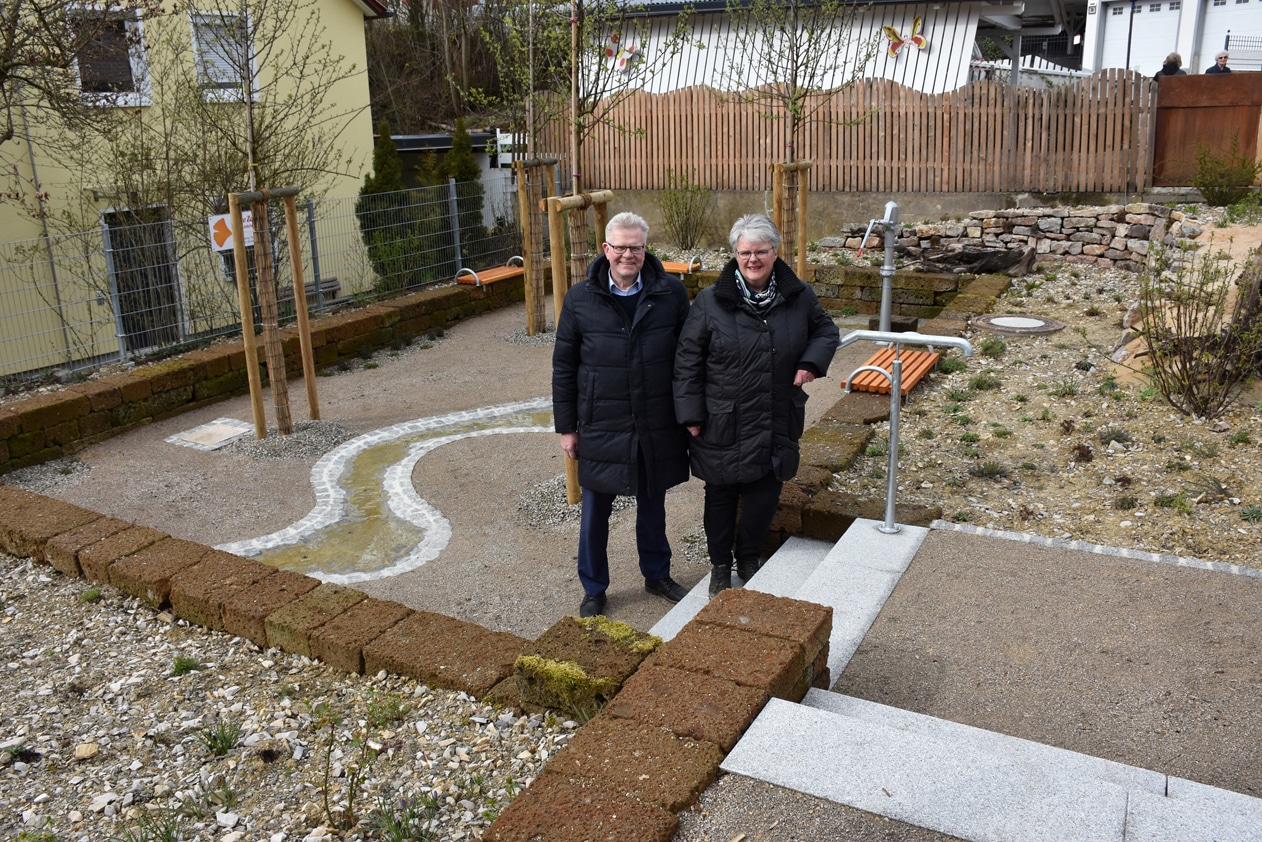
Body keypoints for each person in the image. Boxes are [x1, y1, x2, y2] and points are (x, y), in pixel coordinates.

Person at [674, 214, 839, 597]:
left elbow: (826, 330)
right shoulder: (711, 302)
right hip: (722, 418)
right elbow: (687, 360)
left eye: (760, 251)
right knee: (720, 496)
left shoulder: (798, 295)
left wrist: (809, 363)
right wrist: (690, 413)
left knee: (765, 494)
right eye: (745, 252)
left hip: (775, 413)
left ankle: (749, 557)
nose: (753, 259)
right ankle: (719, 566)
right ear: (735, 254)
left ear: (774, 252)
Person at [552, 211, 692, 618]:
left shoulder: (671, 294)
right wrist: (567, 429)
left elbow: (687, 360)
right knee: (595, 511)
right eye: (620, 247)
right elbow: (564, 367)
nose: (628, 254)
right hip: (601, 421)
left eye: (636, 247)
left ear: (645, 249)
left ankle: (657, 574)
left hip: (655, 419)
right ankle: (594, 587)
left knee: (653, 505)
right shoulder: (580, 298)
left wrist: (688, 415)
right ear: (606, 249)